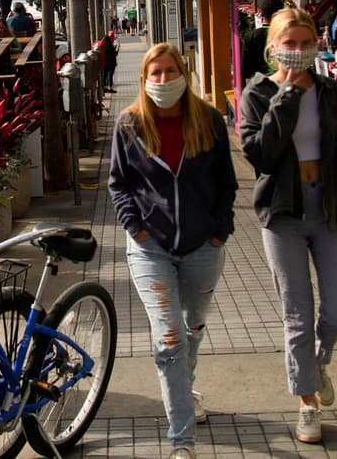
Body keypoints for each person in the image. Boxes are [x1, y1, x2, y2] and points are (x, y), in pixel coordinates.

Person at [239, 7, 337, 445]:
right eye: (288, 44)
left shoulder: (333, 92)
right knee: (297, 313)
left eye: (304, 43)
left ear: (317, 45)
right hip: (283, 211)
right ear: (272, 48)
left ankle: (317, 360)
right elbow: (262, 155)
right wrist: (287, 96)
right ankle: (306, 400)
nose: (296, 51)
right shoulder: (256, 94)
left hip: (329, 207)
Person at [110, 43, 237, 459]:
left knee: (191, 329)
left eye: (170, 71)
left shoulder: (210, 121)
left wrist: (220, 231)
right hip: (150, 251)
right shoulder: (129, 124)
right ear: (145, 79)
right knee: (168, 340)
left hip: (203, 247)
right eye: (155, 73)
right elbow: (119, 183)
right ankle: (183, 442)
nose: (163, 80)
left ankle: (185, 388)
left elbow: (227, 183)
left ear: (184, 73)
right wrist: (136, 229)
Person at [241, 0, 285, 81]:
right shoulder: (287, 34)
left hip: (259, 82)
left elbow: (245, 69)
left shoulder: (250, 37)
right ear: (281, 13)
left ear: (263, 15)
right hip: (283, 81)